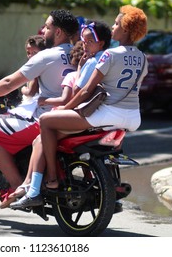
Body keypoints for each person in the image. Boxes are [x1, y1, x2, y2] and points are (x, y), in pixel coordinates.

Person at [10, 5, 148, 209]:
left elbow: (85, 91)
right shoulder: (143, 58)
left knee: (47, 122)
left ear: (126, 29)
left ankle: (51, 179)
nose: (113, 26)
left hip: (107, 114)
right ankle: (108, 186)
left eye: (117, 23)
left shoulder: (110, 55)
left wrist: (65, 109)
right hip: (132, 118)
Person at [0, 10, 79, 208]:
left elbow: (10, 82)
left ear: (59, 32)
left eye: (47, 27)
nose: (44, 31)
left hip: (45, 118)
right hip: (72, 117)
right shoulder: (79, 54)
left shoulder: (47, 56)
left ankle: (17, 186)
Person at [8, 20, 113, 208]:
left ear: (101, 43)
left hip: (83, 114)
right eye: (84, 41)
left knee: (41, 134)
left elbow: (80, 91)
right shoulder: (108, 61)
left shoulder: (88, 66)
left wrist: (62, 107)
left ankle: (41, 184)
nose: (86, 45)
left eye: (90, 41)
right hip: (107, 116)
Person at [20, 35, 46, 101]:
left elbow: (30, 93)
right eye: (28, 53)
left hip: (34, 104)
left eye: (34, 52)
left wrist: (23, 89)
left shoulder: (34, 68)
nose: (30, 56)